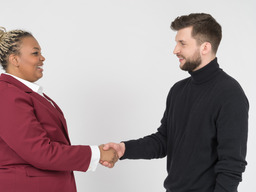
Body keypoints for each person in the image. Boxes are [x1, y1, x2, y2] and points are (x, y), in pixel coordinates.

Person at [101, 13, 249, 192]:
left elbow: (232, 165)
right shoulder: (178, 90)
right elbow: (164, 140)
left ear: (205, 47)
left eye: (183, 43)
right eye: (176, 43)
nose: (175, 50)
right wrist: (124, 149)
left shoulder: (230, 94)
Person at [0, 27, 118, 192]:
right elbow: (41, 152)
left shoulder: (22, 94)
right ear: (15, 60)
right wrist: (96, 154)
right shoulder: (7, 97)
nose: (42, 58)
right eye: (35, 53)